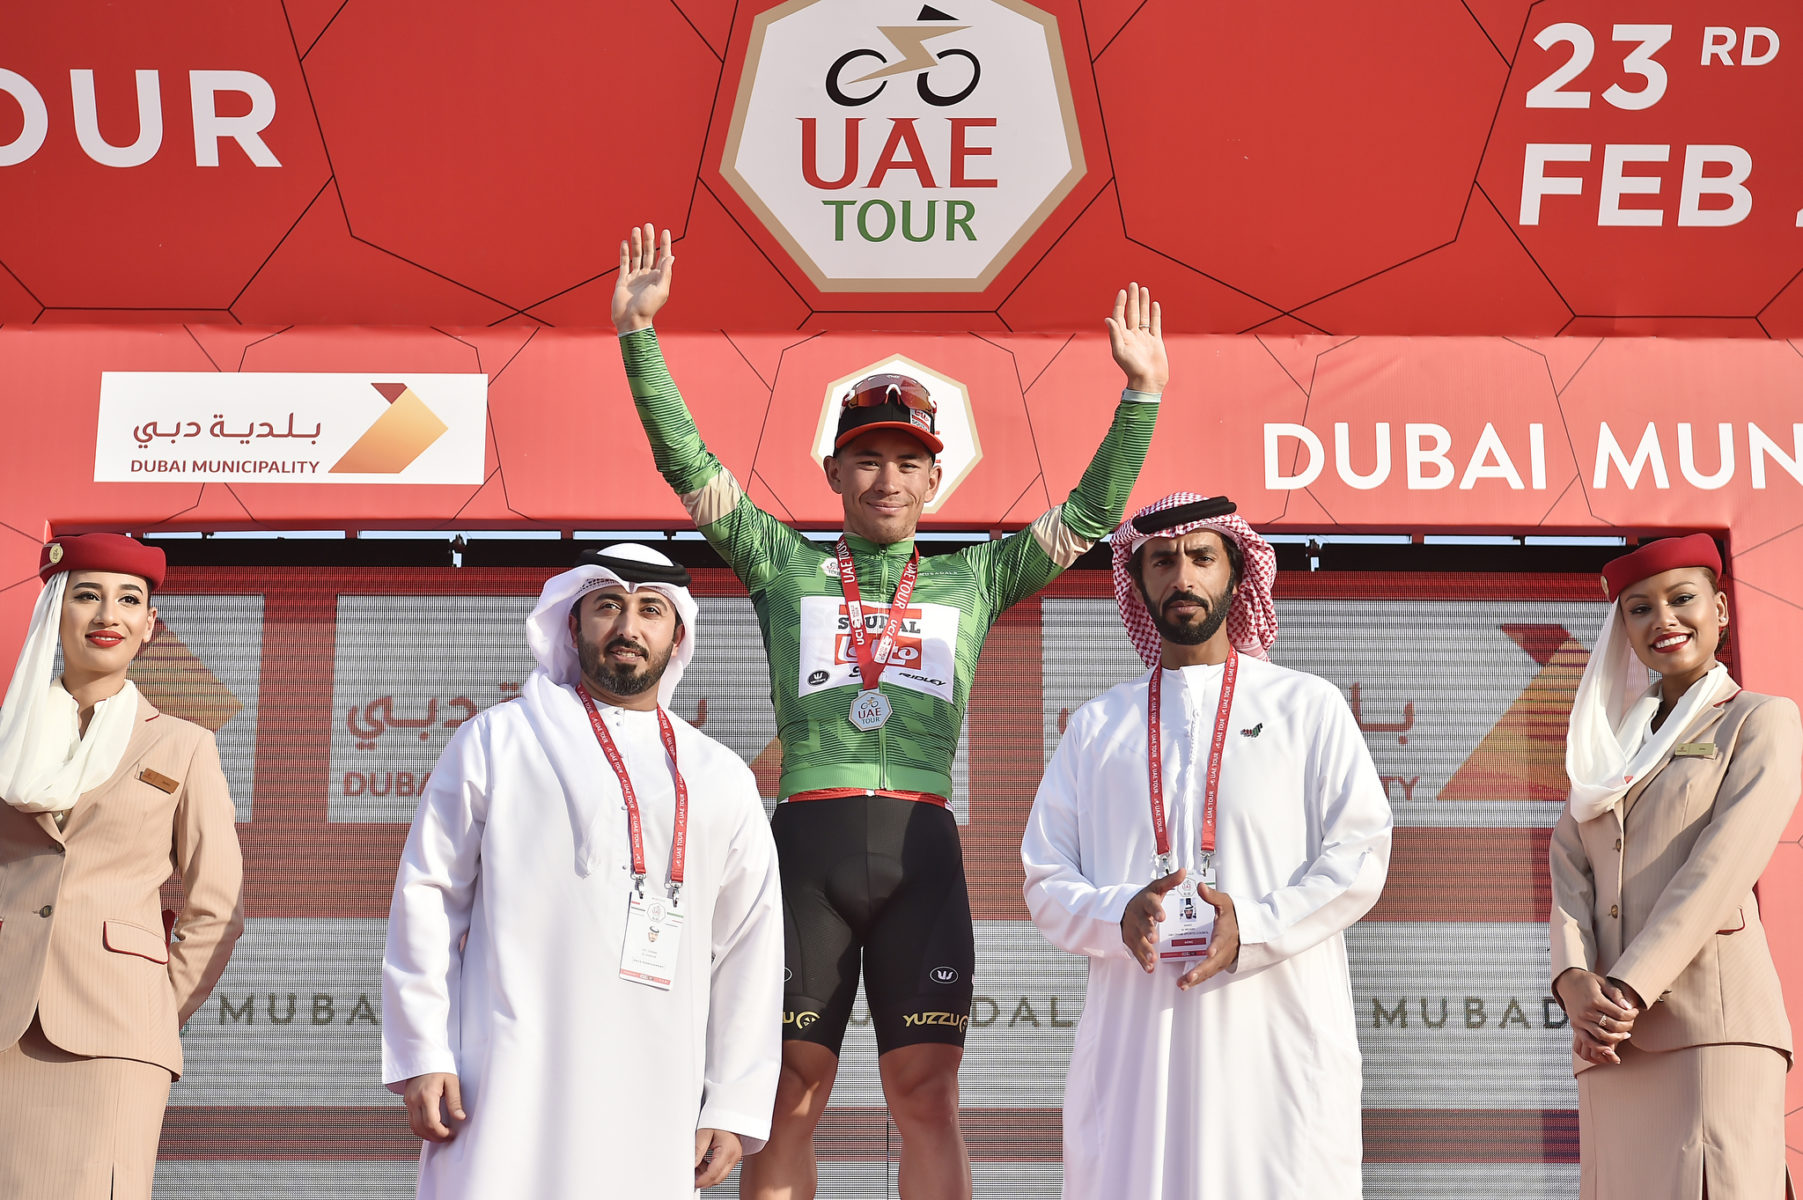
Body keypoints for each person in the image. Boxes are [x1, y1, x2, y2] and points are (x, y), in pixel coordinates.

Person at [612, 224, 1167, 1199]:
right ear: (834, 472)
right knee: (785, 1093)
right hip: (806, 852)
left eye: (908, 462)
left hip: (922, 854)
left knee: (927, 1095)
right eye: (866, 458)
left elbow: (1086, 517)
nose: (887, 479)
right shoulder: (782, 564)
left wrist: (1141, 395)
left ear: (933, 479)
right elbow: (688, 464)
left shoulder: (975, 577)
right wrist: (637, 337)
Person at [1021, 492, 1392, 1199]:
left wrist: (1253, 925)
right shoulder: (1098, 725)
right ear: (1137, 583)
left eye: (1200, 557)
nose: (1182, 576)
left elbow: (1360, 853)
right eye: (1161, 562)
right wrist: (1115, 913)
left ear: (1237, 573)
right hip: (1138, 1045)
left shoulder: (1305, 706)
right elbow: (1045, 875)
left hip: (1273, 1031)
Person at [381, 545, 783, 1198]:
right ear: (573, 627)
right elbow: (427, 894)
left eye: (650, 611)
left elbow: (749, 946)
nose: (628, 627)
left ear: (677, 636)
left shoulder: (721, 775)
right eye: (608, 607)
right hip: (504, 1083)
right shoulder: (497, 740)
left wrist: (733, 1103)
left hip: (657, 1095)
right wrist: (425, 1049)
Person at [1551, 533, 1800, 1199]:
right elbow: (1569, 872)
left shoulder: (1759, 721)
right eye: (1639, 608)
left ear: (1719, 609)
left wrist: (1626, 989)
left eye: (1681, 598)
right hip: (1609, 1043)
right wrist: (1572, 981)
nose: (1662, 619)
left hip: (1706, 1031)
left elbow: (1720, 871)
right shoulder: (1606, 752)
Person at [0, 533, 244, 1200]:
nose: (109, 615)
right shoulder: (4, 739)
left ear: (149, 625)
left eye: (129, 600)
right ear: (55, 611)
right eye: (88, 596)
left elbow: (217, 908)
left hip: (118, 1036)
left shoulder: (184, 745)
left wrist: (152, 1008)